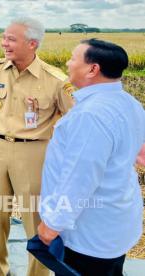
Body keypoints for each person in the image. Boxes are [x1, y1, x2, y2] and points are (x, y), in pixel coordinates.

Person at [0, 17, 74, 276]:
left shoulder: (56, 80)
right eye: (4, 37)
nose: (3, 43)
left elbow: (74, 118)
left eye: (11, 39)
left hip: (34, 152)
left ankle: (38, 273)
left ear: (32, 44)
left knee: (35, 219)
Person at [38, 39, 145, 276]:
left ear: (92, 69)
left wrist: (52, 225)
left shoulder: (90, 115)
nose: (67, 62)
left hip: (90, 232)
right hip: (116, 222)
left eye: (74, 58)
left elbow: (80, 178)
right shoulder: (130, 103)